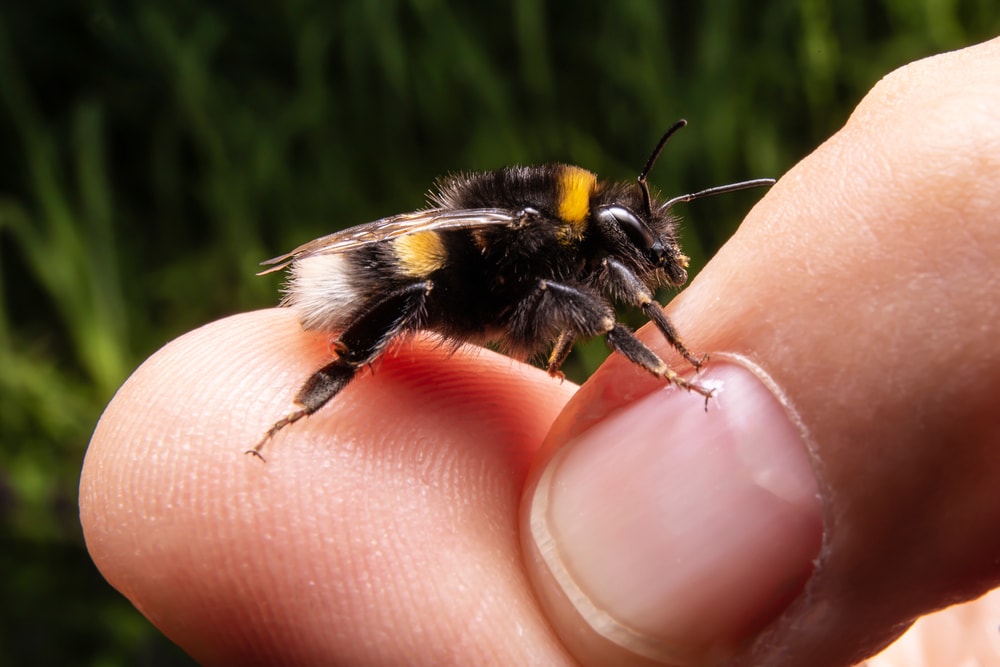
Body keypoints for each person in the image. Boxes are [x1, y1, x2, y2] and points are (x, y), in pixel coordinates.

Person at [80, 37, 1000, 666]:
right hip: (386, 280)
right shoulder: (537, 242)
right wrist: (680, 370)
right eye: (634, 243)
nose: (651, 264)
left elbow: (572, 301)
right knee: (441, 295)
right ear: (585, 226)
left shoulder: (559, 248)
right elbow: (588, 305)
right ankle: (315, 395)